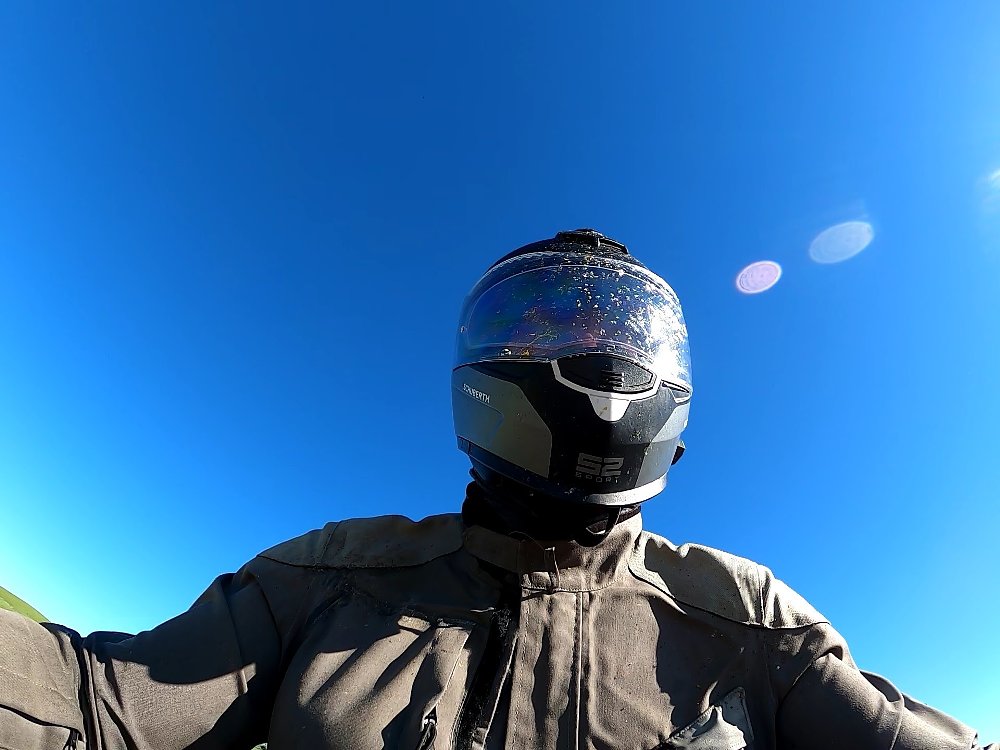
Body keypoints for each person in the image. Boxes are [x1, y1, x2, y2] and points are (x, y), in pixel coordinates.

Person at [0, 229, 993, 750]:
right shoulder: (329, 581)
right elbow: (96, 707)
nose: (593, 359)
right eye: (547, 325)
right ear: (482, 365)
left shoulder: (753, 625)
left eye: (620, 335)